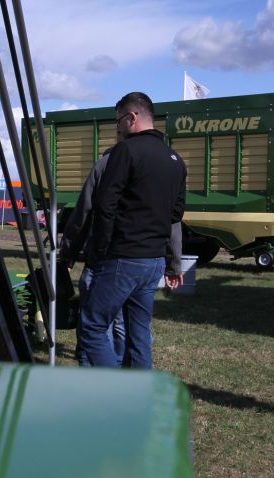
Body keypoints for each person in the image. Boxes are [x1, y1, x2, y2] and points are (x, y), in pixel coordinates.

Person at [78, 91, 186, 369]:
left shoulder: (126, 151)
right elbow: (176, 213)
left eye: (118, 121)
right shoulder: (175, 159)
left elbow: (104, 204)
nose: (117, 128)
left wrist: (100, 252)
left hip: (124, 257)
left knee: (92, 326)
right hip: (154, 261)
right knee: (138, 334)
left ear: (132, 117)